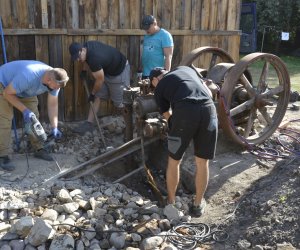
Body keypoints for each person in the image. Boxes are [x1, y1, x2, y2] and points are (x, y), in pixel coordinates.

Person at [149, 66, 218, 217]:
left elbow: (168, 116)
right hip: (209, 109)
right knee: (203, 162)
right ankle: (198, 205)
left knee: (174, 161)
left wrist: (178, 125)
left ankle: (171, 202)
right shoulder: (186, 69)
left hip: (185, 111)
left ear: (155, 80)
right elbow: (208, 90)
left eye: (152, 84)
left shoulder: (159, 88)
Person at [0, 60, 69, 171]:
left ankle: (39, 149)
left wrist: (54, 127)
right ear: (48, 80)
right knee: (4, 120)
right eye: (55, 87)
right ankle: (2, 156)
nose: (56, 89)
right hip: (3, 85)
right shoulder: (28, 75)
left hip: (25, 89)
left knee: (34, 119)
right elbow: (7, 93)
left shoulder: (56, 80)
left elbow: (52, 104)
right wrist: (25, 110)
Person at [69, 41, 130, 134]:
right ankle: (89, 123)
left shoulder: (94, 59)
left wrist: (92, 94)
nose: (78, 60)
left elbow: (100, 80)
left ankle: (130, 127)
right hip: (106, 71)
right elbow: (86, 60)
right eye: (76, 58)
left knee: (120, 103)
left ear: (82, 50)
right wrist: (84, 70)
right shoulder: (86, 46)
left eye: (78, 57)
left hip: (119, 72)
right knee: (98, 96)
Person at [140, 15, 174, 79]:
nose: (146, 30)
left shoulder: (165, 35)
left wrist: (165, 74)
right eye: (145, 28)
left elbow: (168, 56)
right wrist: (140, 68)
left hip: (158, 75)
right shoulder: (146, 36)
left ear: (154, 24)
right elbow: (144, 53)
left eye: (148, 28)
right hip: (145, 73)